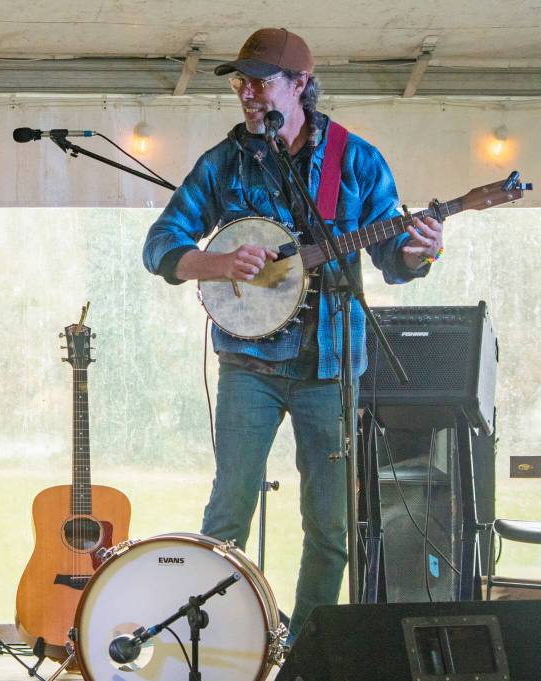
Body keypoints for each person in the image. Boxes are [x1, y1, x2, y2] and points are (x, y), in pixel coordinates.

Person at [142, 28, 444, 644]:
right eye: (241, 81)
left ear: (301, 84)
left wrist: (420, 251)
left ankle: (308, 649)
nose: (246, 92)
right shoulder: (224, 162)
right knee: (227, 513)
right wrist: (218, 263)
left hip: (333, 369)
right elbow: (160, 245)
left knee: (330, 529)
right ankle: (220, 647)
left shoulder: (354, 160)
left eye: (261, 80)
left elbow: (393, 260)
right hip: (249, 366)